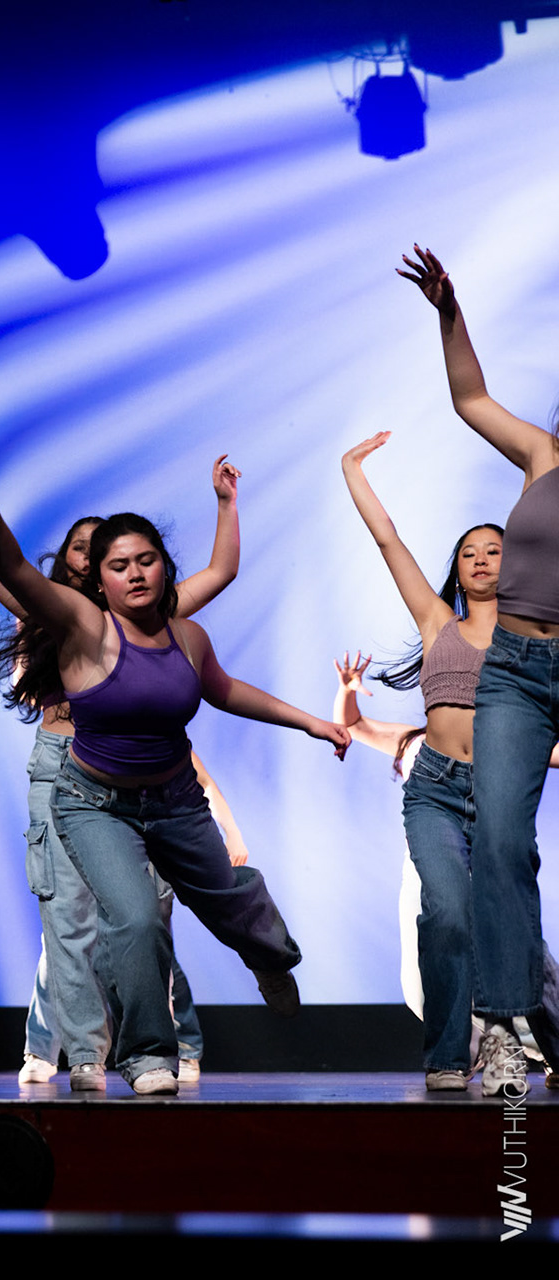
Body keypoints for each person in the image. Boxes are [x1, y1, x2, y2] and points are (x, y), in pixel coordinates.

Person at [0, 434, 350, 1095]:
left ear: (164, 567)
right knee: (133, 920)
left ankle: (270, 957)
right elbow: (10, 568)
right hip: (94, 804)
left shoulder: (184, 631)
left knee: (227, 900)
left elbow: (225, 683)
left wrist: (309, 720)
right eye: (118, 565)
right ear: (97, 578)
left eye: (146, 561)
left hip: (175, 801)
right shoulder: (80, 622)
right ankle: (147, 1057)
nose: (135, 574)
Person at [0, 461, 243, 1091]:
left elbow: (220, 572)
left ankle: (162, 1046)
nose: (94, 557)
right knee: (68, 920)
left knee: (145, 917)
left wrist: (226, 502)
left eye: (109, 549)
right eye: (83, 547)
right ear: (73, 562)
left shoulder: (151, 614)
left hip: (141, 778)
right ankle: (86, 1054)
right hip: (63, 767)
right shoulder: (52, 612)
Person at [400, 245, 559, 1094]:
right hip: (518, 671)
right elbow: (470, 398)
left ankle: (542, 1028)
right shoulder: (543, 455)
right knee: (499, 844)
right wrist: (449, 313)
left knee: (507, 854)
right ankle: (500, 1027)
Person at [341, 429, 512, 1088]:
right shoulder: (438, 622)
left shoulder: (535, 639)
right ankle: (447, 1057)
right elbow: (389, 541)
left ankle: (546, 1041)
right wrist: (353, 469)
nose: (480, 559)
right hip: (435, 787)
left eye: (494, 550)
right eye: (469, 552)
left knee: (511, 927)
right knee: (444, 911)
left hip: (499, 788)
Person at [332, 650, 559, 1076]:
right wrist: (347, 690)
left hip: (485, 864)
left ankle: (538, 1047)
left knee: (521, 962)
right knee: (421, 983)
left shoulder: (497, 737)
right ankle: (470, 1049)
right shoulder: (415, 740)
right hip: (425, 868)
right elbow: (354, 725)